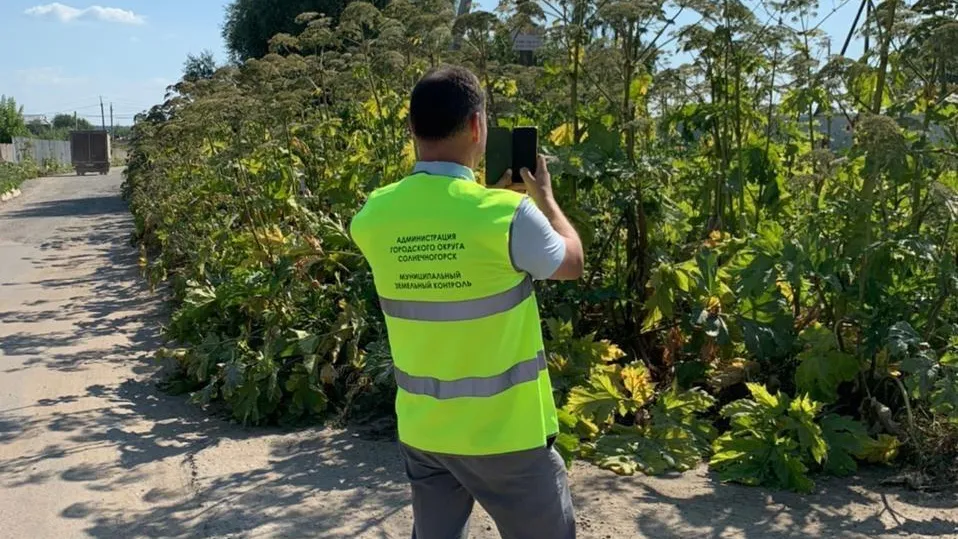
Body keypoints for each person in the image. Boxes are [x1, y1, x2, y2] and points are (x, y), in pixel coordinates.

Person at [350, 65, 584, 539]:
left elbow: (444, 238)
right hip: (507, 435)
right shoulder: (507, 215)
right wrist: (543, 198)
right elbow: (571, 262)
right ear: (478, 126)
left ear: (412, 129)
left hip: (425, 431)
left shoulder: (373, 215)